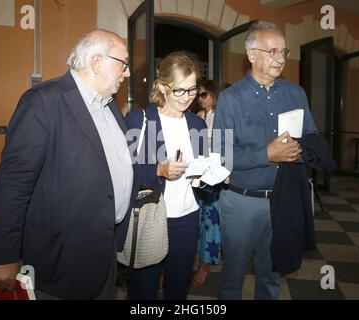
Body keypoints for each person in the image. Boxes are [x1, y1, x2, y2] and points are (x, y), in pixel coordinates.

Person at [0, 28, 138, 300]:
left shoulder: (110, 106)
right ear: (97, 62)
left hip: (103, 252)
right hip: (61, 259)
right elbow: (14, 182)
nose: (128, 73)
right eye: (123, 64)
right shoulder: (43, 101)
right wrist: (2, 254)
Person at [213, 21, 317, 300]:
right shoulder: (230, 98)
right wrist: (267, 154)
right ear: (252, 55)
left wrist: (302, 149)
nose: (280, 59)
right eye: (272, 52)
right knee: (233, 278)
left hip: (283, 200)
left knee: (272, 276)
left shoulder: (296, 93)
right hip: (242, 204)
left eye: (284, 52)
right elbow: (222, 155)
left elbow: (312, 137)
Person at [124, 51, 207, 300]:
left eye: (192, 90)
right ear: (162, 85)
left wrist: (213, 176)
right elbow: (125, 170)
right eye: (180, 90)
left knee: (179, 286)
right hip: (150, 215)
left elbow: (200, 177)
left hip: (187, 218)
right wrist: (158, 170)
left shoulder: (197, 125)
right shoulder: (139, 120)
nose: (187, 98)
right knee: (143, 289)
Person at [192, 80, 222, 287]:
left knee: (211, 220)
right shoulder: (199, 117)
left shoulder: (221, 117)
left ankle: (205, 265)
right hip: (198, 173)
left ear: (214, 95)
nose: (199, 99)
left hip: (215, 175)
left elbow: (223, 146)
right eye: (199, 95)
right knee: (200, 219)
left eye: (204, 95)